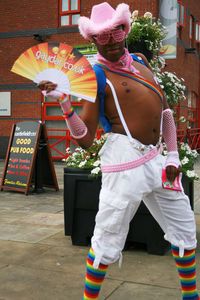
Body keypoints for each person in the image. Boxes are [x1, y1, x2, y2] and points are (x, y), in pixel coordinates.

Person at [38, 2, 199, 300]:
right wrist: (63, 103)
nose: (109, 42)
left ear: (125, 29)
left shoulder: (140, 60)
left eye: (115, 33)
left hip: (158, 159)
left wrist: (174, 155)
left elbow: (164, 111)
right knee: (107, 237)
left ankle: (191, 296)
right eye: (101, 37)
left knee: (184, 228)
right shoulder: (95, 74)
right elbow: (85, 138)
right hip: (124, 163)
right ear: (92, 39)